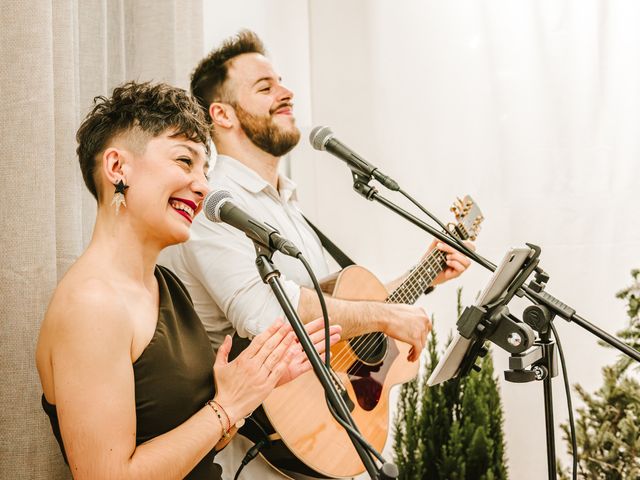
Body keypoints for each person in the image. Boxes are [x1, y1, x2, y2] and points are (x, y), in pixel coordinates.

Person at [160, 31, 471, 479]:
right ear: (222, 114)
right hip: (263, 446)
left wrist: (426, 273)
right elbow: (267, 313)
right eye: (264, 88)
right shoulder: (215, 202)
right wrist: (385, 317)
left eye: (282, 83)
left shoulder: (285, 204)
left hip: (321, 434)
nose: (286, 93)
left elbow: (337, 315)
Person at [35, 81, 340, 480]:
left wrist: (253, 389)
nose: (202, 186)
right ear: (117, 168)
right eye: (184, 161)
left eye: (205, 170)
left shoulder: (167, 286)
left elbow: (190, 441)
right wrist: (227, 407)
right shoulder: (92, 304)